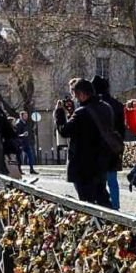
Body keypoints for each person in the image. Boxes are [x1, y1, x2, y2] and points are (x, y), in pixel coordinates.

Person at [54, 78, 116, 208]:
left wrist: (59, 114)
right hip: (101, 161)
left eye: (75, 95)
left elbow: (64, 131)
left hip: (83, 164)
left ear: (82, 94)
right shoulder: (106, 107)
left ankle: (96, 226)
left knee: (87, 203)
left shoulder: (82, 112)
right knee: (102, 197)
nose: (75, 99)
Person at [91, 76, 126, 208]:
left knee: (99, 180)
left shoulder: (96, 105)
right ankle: (116, 205)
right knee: (112, 179)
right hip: (113, 146)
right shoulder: (117, 105)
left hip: (99, 147)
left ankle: (103, 205)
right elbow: (122, 128)